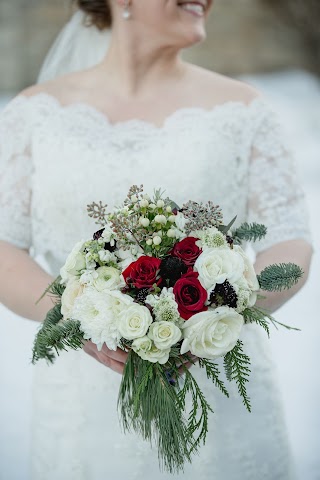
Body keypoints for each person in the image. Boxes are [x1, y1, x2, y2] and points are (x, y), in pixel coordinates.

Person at [0, 0, 313, 479]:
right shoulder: (33, 114)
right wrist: (73, 317)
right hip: (82, 404)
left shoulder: (243, 109)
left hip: (220, 389)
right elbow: (4, 247)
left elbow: (290, 242)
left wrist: (222, 309)